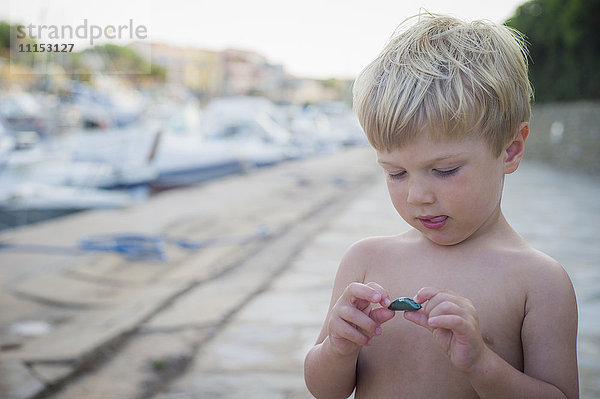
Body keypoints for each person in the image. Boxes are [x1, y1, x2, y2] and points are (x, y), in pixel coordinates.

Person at [304, 13, 578, 399]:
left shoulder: (540, 282)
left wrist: (482, 364)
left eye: (444, 170)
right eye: (396, 173)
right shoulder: (365, 260)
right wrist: (337, 347)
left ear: (511, 150)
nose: (417, 195)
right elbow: (323, 390)